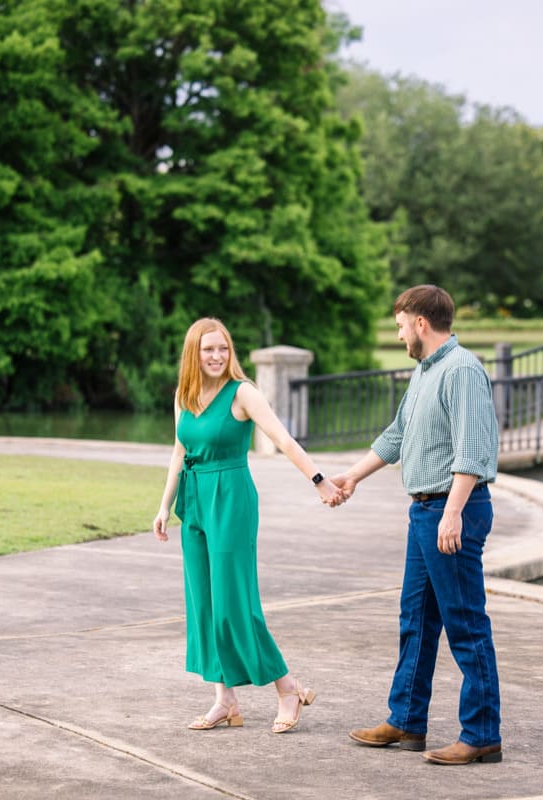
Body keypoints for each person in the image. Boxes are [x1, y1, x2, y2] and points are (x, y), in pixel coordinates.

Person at [332, 285, 502, 766]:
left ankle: (483, 734)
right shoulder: (426, 373)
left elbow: (473, 449)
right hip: (425, 511)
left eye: (401, 323)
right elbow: (398, 435)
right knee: (416, 621)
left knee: (466, 624)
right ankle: (406, 720)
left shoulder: (462, 369)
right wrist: (353, 477)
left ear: (421, 323)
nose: (399, 332)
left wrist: (453, 513)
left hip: (452, 511)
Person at [152, 317, 346, 733]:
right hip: (194, 500)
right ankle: (225, 701)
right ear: (194, 353)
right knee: (203, 604)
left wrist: (319, 481)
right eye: (208, 349)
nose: (217, 356)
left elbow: (284, 439)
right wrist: (164, 506)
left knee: (233, 604)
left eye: (223, 348)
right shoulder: (183, 396)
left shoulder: (243, 393)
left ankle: (287, 687)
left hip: (231, 498)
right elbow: (178, 451)